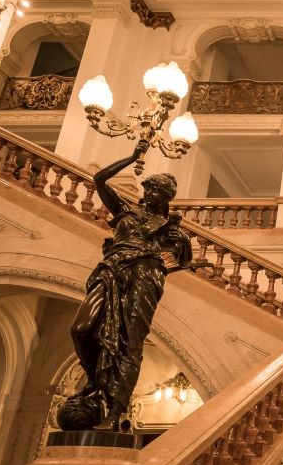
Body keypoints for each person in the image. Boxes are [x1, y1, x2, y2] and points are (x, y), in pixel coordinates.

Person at [66, 140, 192, 431]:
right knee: (81, 329)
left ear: (166, 197)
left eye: (156, 191)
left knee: (130, 342)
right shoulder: (125, 212)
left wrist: (175, 236)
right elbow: (99, 180)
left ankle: (115, 413)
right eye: (148, 188)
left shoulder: (169, 227)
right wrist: (132, 157)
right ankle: (94, 381)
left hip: (145, 277)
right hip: (111, 270)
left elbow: (181, 262)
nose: (149, 194)